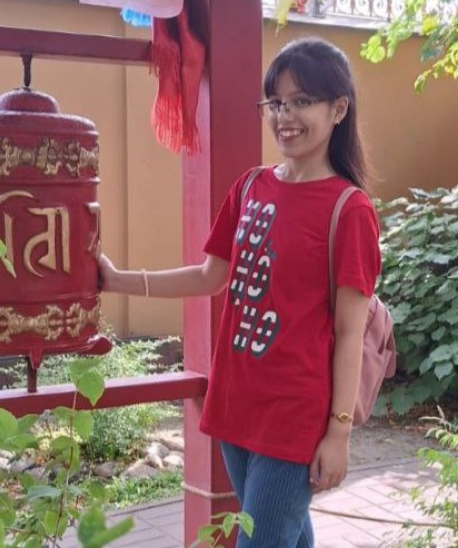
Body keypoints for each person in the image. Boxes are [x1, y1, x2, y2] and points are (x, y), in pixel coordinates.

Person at [98, 36, 381, 547]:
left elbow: (348, 328)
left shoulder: (349, 208)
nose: (284, 116)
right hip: (235, 403)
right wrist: (121, 280)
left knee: (258, 539)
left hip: (293, 415)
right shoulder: (251, 186)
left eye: (301, 101)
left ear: (338, 109)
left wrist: (338, 434)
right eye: (276, 102)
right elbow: (209, 276)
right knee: (285, 538)